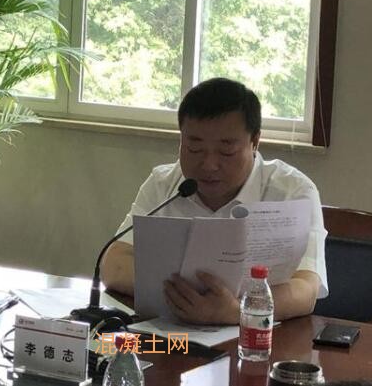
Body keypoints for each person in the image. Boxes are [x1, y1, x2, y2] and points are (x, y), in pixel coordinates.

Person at [100, 77, 328, 324]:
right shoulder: (163, 184)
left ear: (254, 141)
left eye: (226, 151)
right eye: (194, 148)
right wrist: (186, 297)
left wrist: (235, 311)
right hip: (169, 331)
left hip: (257, 337)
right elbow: (113, 264)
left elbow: (306, 288)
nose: (209, 165)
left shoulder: (292, 192)